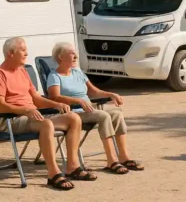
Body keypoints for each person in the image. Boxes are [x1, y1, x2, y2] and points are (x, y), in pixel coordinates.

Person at [0, 37, 95, 191]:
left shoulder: (22, 71)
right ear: (11, 53)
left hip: (33, 116)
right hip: (12, 119)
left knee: (73, 118)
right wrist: (25, 110)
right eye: (23, 50)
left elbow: (37, 99)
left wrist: (56, 104)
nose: (27, 53)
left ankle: (72, 166)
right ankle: (53, 174)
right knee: (47, 124)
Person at [47, 42, 144, 174]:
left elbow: (93, 91)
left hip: (89, 109)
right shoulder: (54, 76)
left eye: (75, 52)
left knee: (116, 113)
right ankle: (111, 160)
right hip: (73, 113)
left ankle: (124, 156)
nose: (75, 55)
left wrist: (111, 94)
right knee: (103, 115)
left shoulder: (78, 72)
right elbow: (54, 97)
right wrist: (78, 101)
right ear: (60, 57)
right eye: (71, 53)